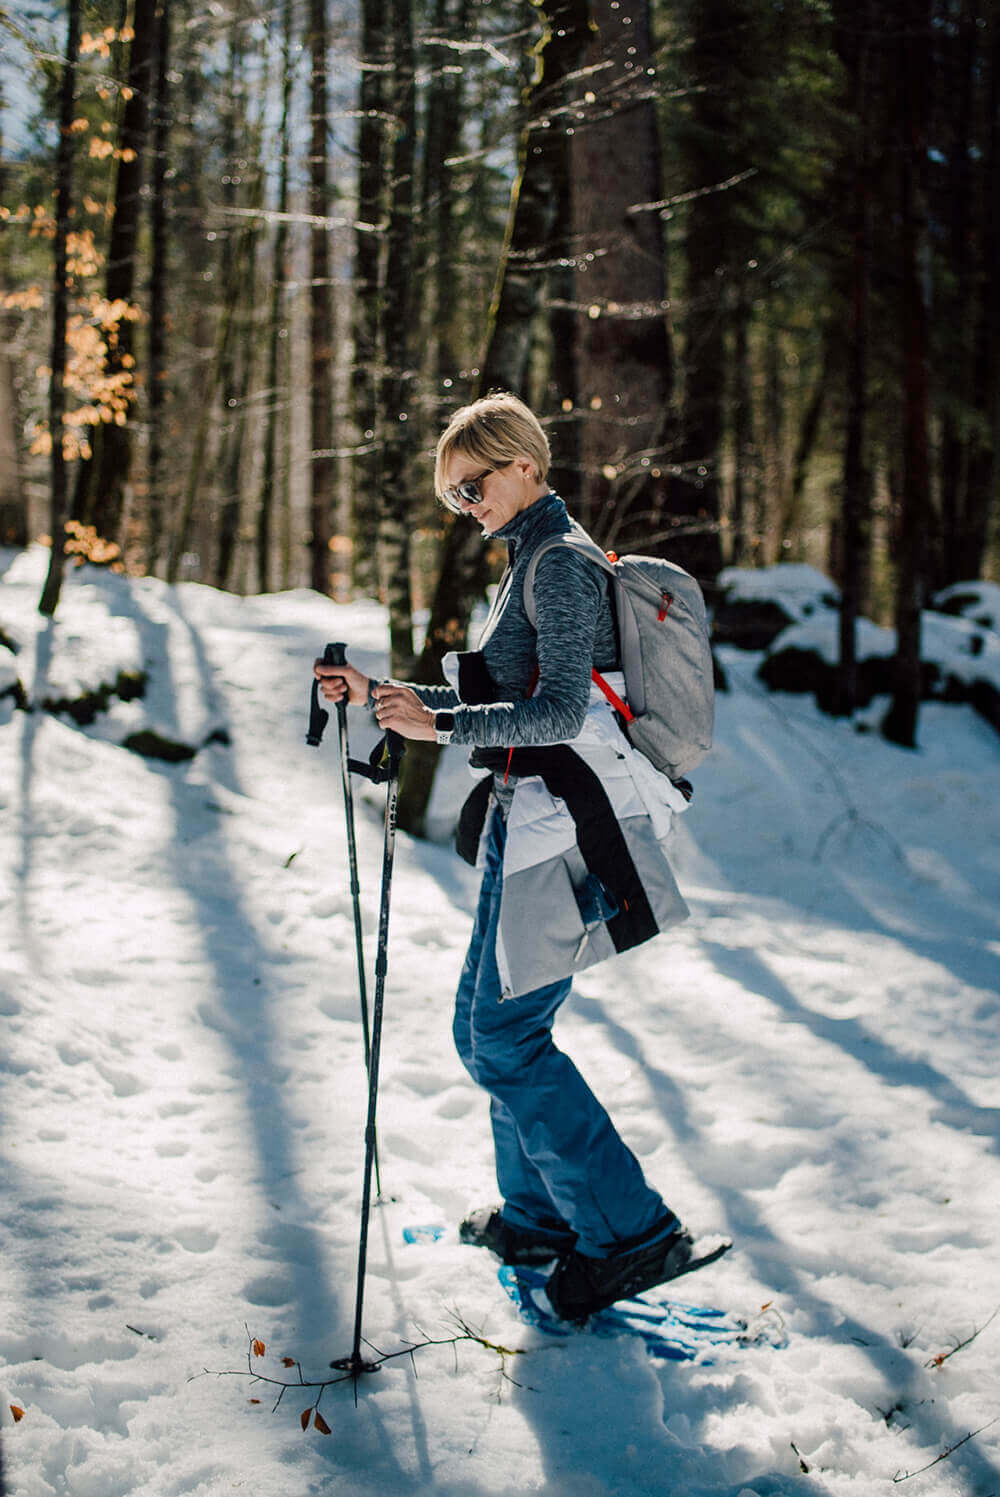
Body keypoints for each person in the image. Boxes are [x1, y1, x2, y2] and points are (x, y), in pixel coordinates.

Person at [314, 393, 717, 1321]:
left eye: (474, 484)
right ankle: (540, 1216)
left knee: (502, 1035)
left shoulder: (561, 564)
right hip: (522, 817)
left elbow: (560, 710)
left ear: (524, 464)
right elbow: (506, 684)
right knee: (485, 1026)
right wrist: (383, 692)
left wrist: (442, 721)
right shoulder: (526, 560)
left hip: (563, 826)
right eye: (454, 496)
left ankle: (632, 1233)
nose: (466, 504)